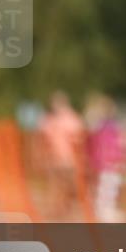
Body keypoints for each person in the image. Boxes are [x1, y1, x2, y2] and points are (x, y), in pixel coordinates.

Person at [37, 90, 85, 219]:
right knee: (56, 187)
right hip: (55, 160)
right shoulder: (49, 119)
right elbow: (43, 138)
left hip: (69, 160)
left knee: (70, 188)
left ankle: (67, 211)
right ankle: (57, 212)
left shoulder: (70, 118)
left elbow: (79, 139)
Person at [84, 92, 126, 223]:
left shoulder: (112, 125)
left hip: (111, 162)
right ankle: (103, 212)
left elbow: (124, 143)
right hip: (105, 162)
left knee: (110, 186)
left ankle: (104, 210)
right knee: (106, 187)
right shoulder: (100, 125)